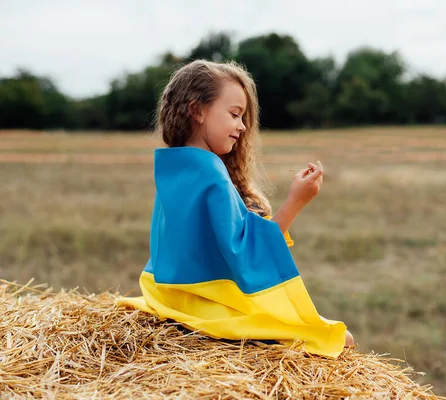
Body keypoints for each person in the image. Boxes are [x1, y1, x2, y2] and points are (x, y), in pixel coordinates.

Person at [117, 59, 353, 358]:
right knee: (336, 337)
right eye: (234, 114)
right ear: (197, 111)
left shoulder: (173, 166)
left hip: (168, 294)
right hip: (205, 305)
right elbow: (246, 249)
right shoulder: (211, 173)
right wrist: (296, 201)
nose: (242, 126)